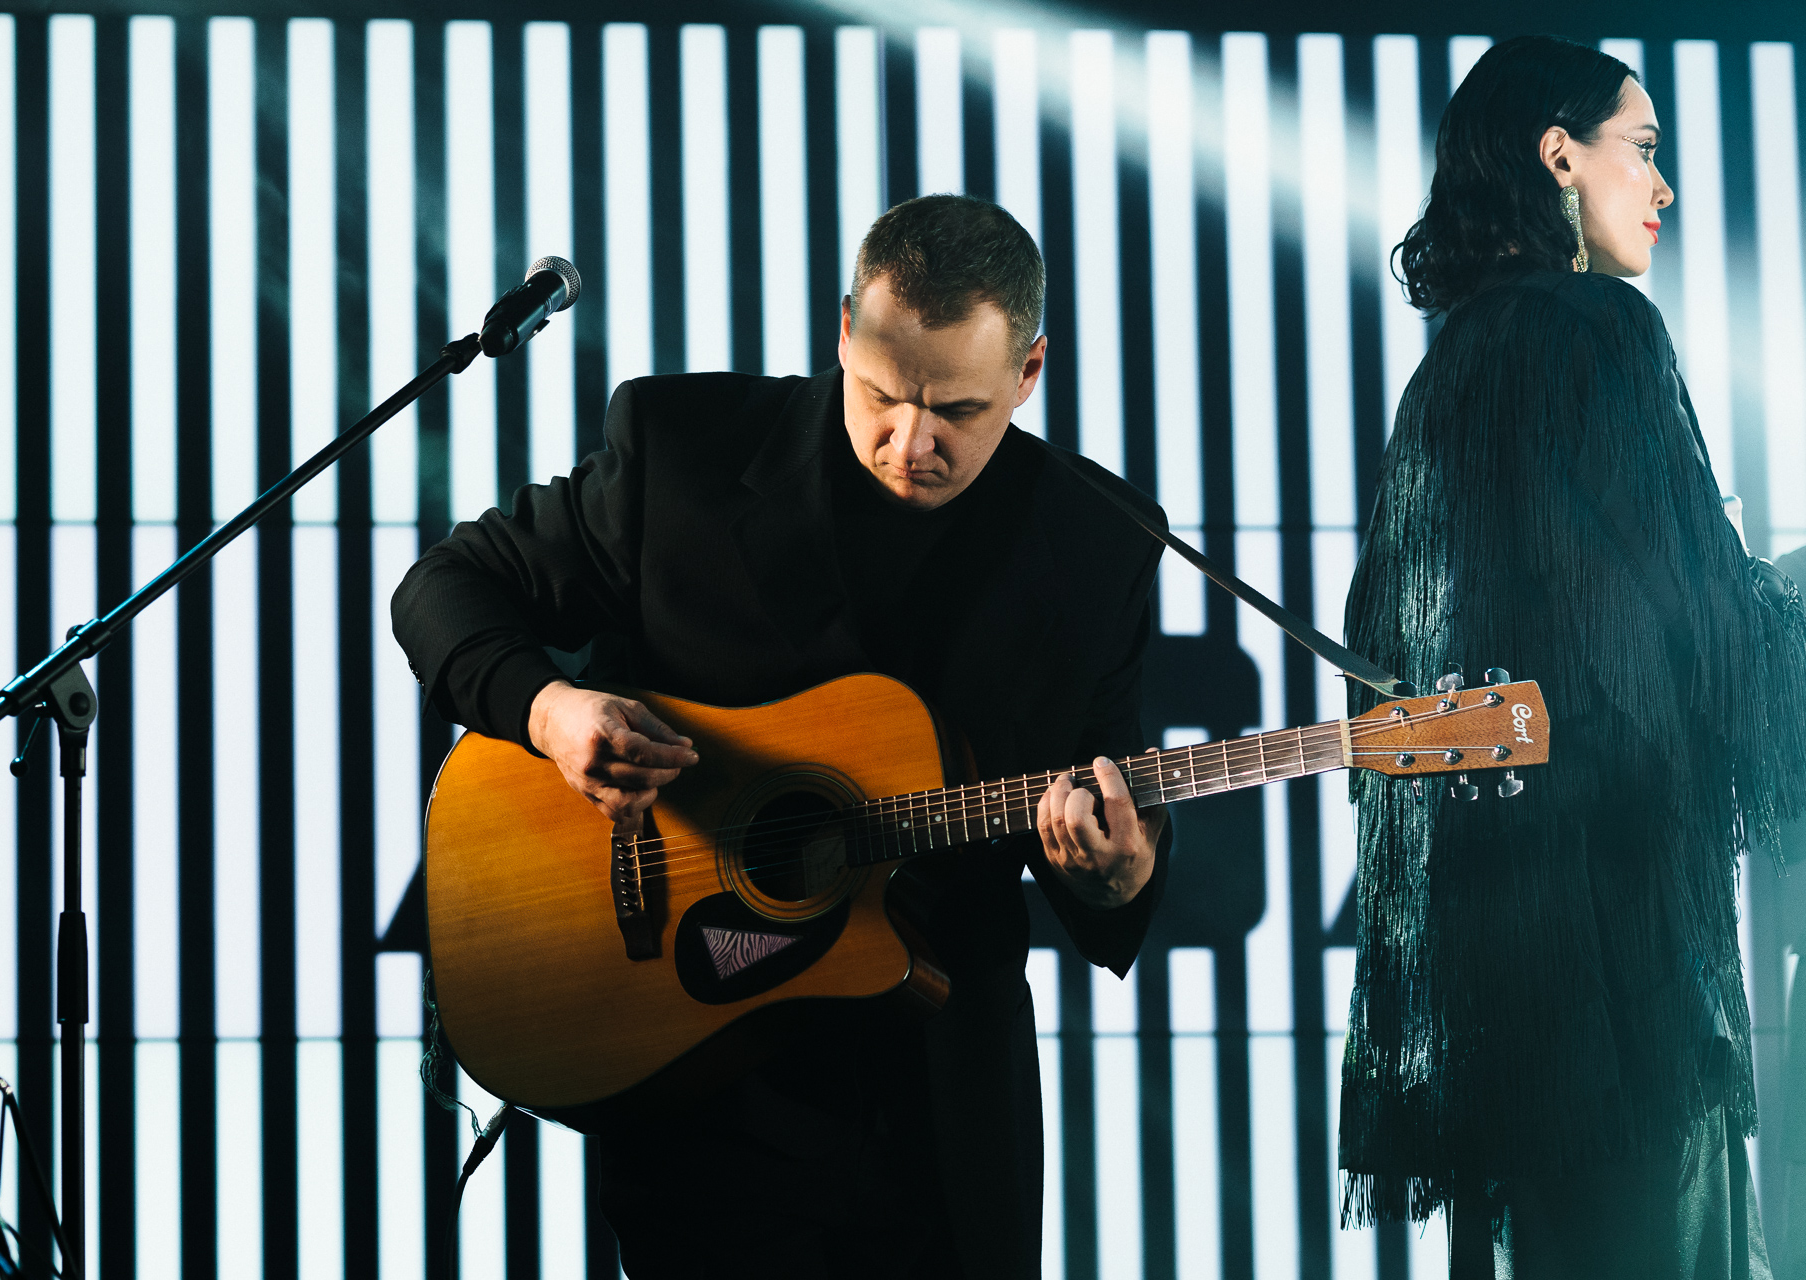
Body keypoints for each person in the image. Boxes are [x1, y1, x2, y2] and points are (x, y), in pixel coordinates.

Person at [393, 194, 1169, 1277]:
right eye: (883, 394)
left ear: (1029, 372)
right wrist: (550, 710)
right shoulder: (684, 450)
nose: (911, 442)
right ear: (844, 332)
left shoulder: (1098, 542)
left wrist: (1119, 874)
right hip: (703, 1091)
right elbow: (444, 587)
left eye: (957, 410)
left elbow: (1109, 779)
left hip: (946, 1107)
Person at [1339, 35, 1806, 1279]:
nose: (1663, 187)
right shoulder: (1603, 330)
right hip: (1624, 953)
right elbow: (1693, 638)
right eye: (1641, 149)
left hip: (1506, 976)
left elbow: (1400, 652)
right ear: (1559, 154)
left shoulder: (1450, 371)